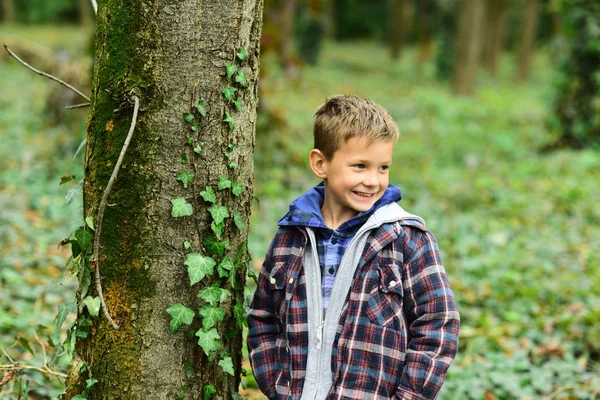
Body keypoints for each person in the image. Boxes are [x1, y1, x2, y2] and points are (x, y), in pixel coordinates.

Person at [247, 95, 460, 400]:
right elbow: (263, 316)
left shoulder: (406, 239)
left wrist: (409, 396)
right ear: (321, 163)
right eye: (360, 166)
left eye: (383, 167)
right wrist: (278, 386)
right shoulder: (291, 237)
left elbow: (438, 323)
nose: (373, 181)